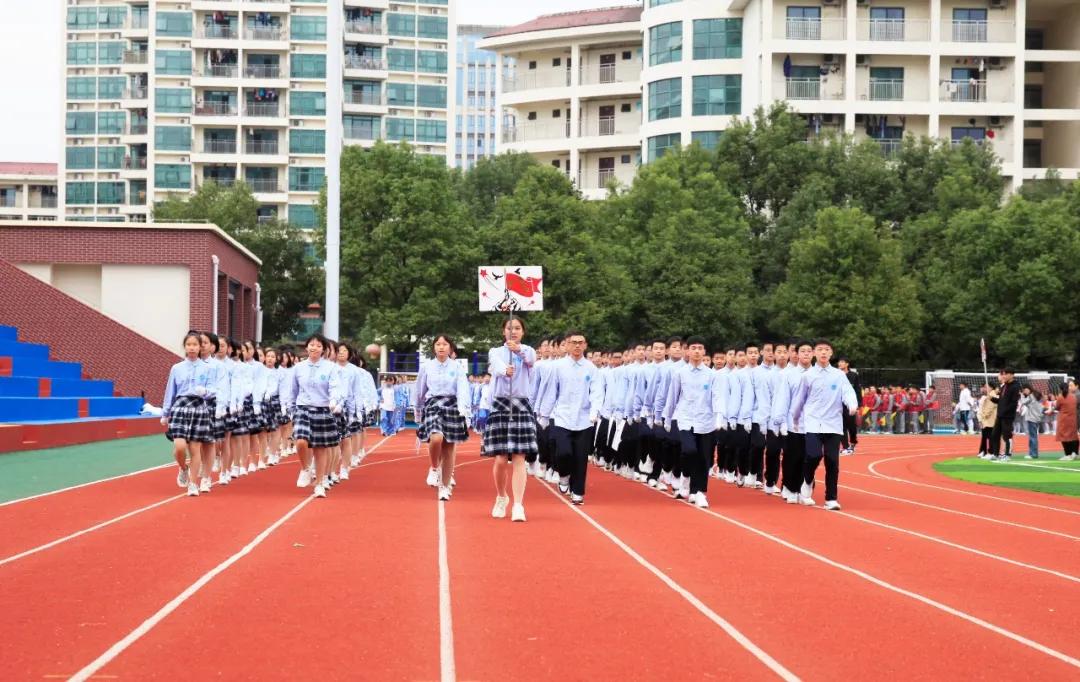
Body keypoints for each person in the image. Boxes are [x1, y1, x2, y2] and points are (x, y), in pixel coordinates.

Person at [791, 339, 858, 510]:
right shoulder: (808, 376)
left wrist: (852, 404)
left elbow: (848, 392)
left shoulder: (839, 375)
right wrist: (795, 419)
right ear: (815, 353)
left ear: (831, 353)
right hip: (813, 423)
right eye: (820, 349)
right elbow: (799, 400)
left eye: (826, 349)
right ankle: (807, 481)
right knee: (813, 455)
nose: (823, 352)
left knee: (832, 461)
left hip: (833, 424)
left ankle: (831, 499)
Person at [536, 330, 601, 505]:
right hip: (562, 418)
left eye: (581, 342)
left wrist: (594, 411)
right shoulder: (558, 367)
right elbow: (551, 392)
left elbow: (596, 392)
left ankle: (578, 491)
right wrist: (544, 414)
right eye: (574, 342)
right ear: (567, 345)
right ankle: (564, 475)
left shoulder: (591, 369)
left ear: (585, 345)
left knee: (580, 457)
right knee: (563, 452)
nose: (577, 345)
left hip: (584, 419)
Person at [483, 318, 537, 522]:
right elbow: (497, 366)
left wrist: (518, 350)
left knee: (519, 457)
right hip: (500, 405)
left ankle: (518, 505)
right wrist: (505, 370)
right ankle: (501, 496)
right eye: (509, 328)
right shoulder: (495, 351)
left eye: (517, 328)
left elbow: (531, 360)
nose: (513, 331)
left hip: (521, 404)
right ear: (503, 331)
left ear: (522, 332)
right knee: (500, 459)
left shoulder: (528, 350)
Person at [283, 334, 344, 498]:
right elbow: (292, 390)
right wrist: (290, 409)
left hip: (322, 409)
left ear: (323, 349)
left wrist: (334, 400)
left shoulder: (330, 368)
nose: (314, 348)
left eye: (318, 345)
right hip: (303, 408)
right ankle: (305, 469)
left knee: (320, 449)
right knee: (301, 441)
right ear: (306, 347)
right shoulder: (298, 368)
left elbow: (335, 387)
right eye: (311, 344)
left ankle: (319, 484)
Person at [663, 336, 718, 508]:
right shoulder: (680, 373)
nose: (696, 351)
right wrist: (667, 418)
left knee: (703, 457)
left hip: (706, 420)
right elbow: (672, 397)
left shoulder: (711, 375)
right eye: (693, 348)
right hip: (685, 418)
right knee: (689, 450)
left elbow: (717, 397)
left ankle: (699, 492)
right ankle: (685, 476)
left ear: (704, 352)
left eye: (700, 348)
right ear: (687, 351)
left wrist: (719, 417)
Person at [416, 334, 471, 501]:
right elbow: (419, 390)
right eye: (438, 344)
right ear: (434, 348)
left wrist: (464, 411)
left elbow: (463, 388)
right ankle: (434, 468)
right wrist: (417, 410)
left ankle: (444, 487)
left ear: (450, 348)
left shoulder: (457, 367)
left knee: (448, 448)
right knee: (436, 438)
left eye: (445, 344)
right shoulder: (427, 367)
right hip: (433, 404)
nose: (441, 347)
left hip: (452, 405)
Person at [161, 333, 214, 497]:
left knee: (195, 448)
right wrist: (165, 413)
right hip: (180, 407)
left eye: (195, 345)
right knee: (180, 446)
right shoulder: (176, 368)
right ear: (185, 347)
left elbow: (213, 390)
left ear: (200, 347)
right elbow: (170, 391)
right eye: (189, 344)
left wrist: (205, 392)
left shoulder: (207, 368)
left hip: (198, 407)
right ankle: (183, 468)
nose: (192, 348)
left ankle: (193, 484)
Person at [989, 369, 1021, 461]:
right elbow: (1001, 400)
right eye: (1003, 374)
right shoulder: (1004, 386)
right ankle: (996, 454)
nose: (1004, 376)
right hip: (1000, 415)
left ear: (1011, 375)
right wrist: (992, 399)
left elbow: (1013, 403)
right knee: (995, 434)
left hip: (1008, 416)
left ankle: (1008, 454)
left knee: (1007, 435)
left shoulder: (1015, 386)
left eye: (1006, 374)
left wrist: (1004, 411)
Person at [837, 357, 860, 453]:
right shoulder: (836, 375)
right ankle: (845, 446)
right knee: (841, 426)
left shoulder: (854, 375)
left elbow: (857, 390)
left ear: (847, 364)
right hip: (839, 404)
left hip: (851, 404)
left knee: (852, 426)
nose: (840, 364)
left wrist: (858, 404)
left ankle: (853, 442)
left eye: (842, 362)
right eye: (839, 362)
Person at [1055, 383, 1078, 461]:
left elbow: (1057, 407)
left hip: (1064, 419)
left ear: (1060, 389)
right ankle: (1074, 453)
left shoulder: (1060, 397)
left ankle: (1068, 454)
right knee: (1073, 436)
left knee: (1064, 437)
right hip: (1073, 419)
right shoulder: (1073, 396)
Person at [1019, 386, 1043, 459]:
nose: (1024, 392)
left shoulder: (1031, 396)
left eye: (1025, 390)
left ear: (1029, 389)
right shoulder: (1036, 396)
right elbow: (1028, 405)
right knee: (1033, 437)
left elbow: (1023, 402)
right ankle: (1032, 453)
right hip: (1036, 418)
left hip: (1032, 418)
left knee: (1032, 437)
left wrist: (1021, 395)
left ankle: (1033, 454)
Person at [977, 384, 998, 458]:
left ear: (991, 387)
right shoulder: (985, 396)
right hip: (985, 419)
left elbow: (990, 407)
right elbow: (981, 408)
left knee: (990, 436)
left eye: (987, 387)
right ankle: (983, 451)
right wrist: (980, 418)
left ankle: (991, 452)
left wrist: (984, 416)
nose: (985, 388)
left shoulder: (993, 395)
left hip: (989, 419)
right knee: (984, 436)